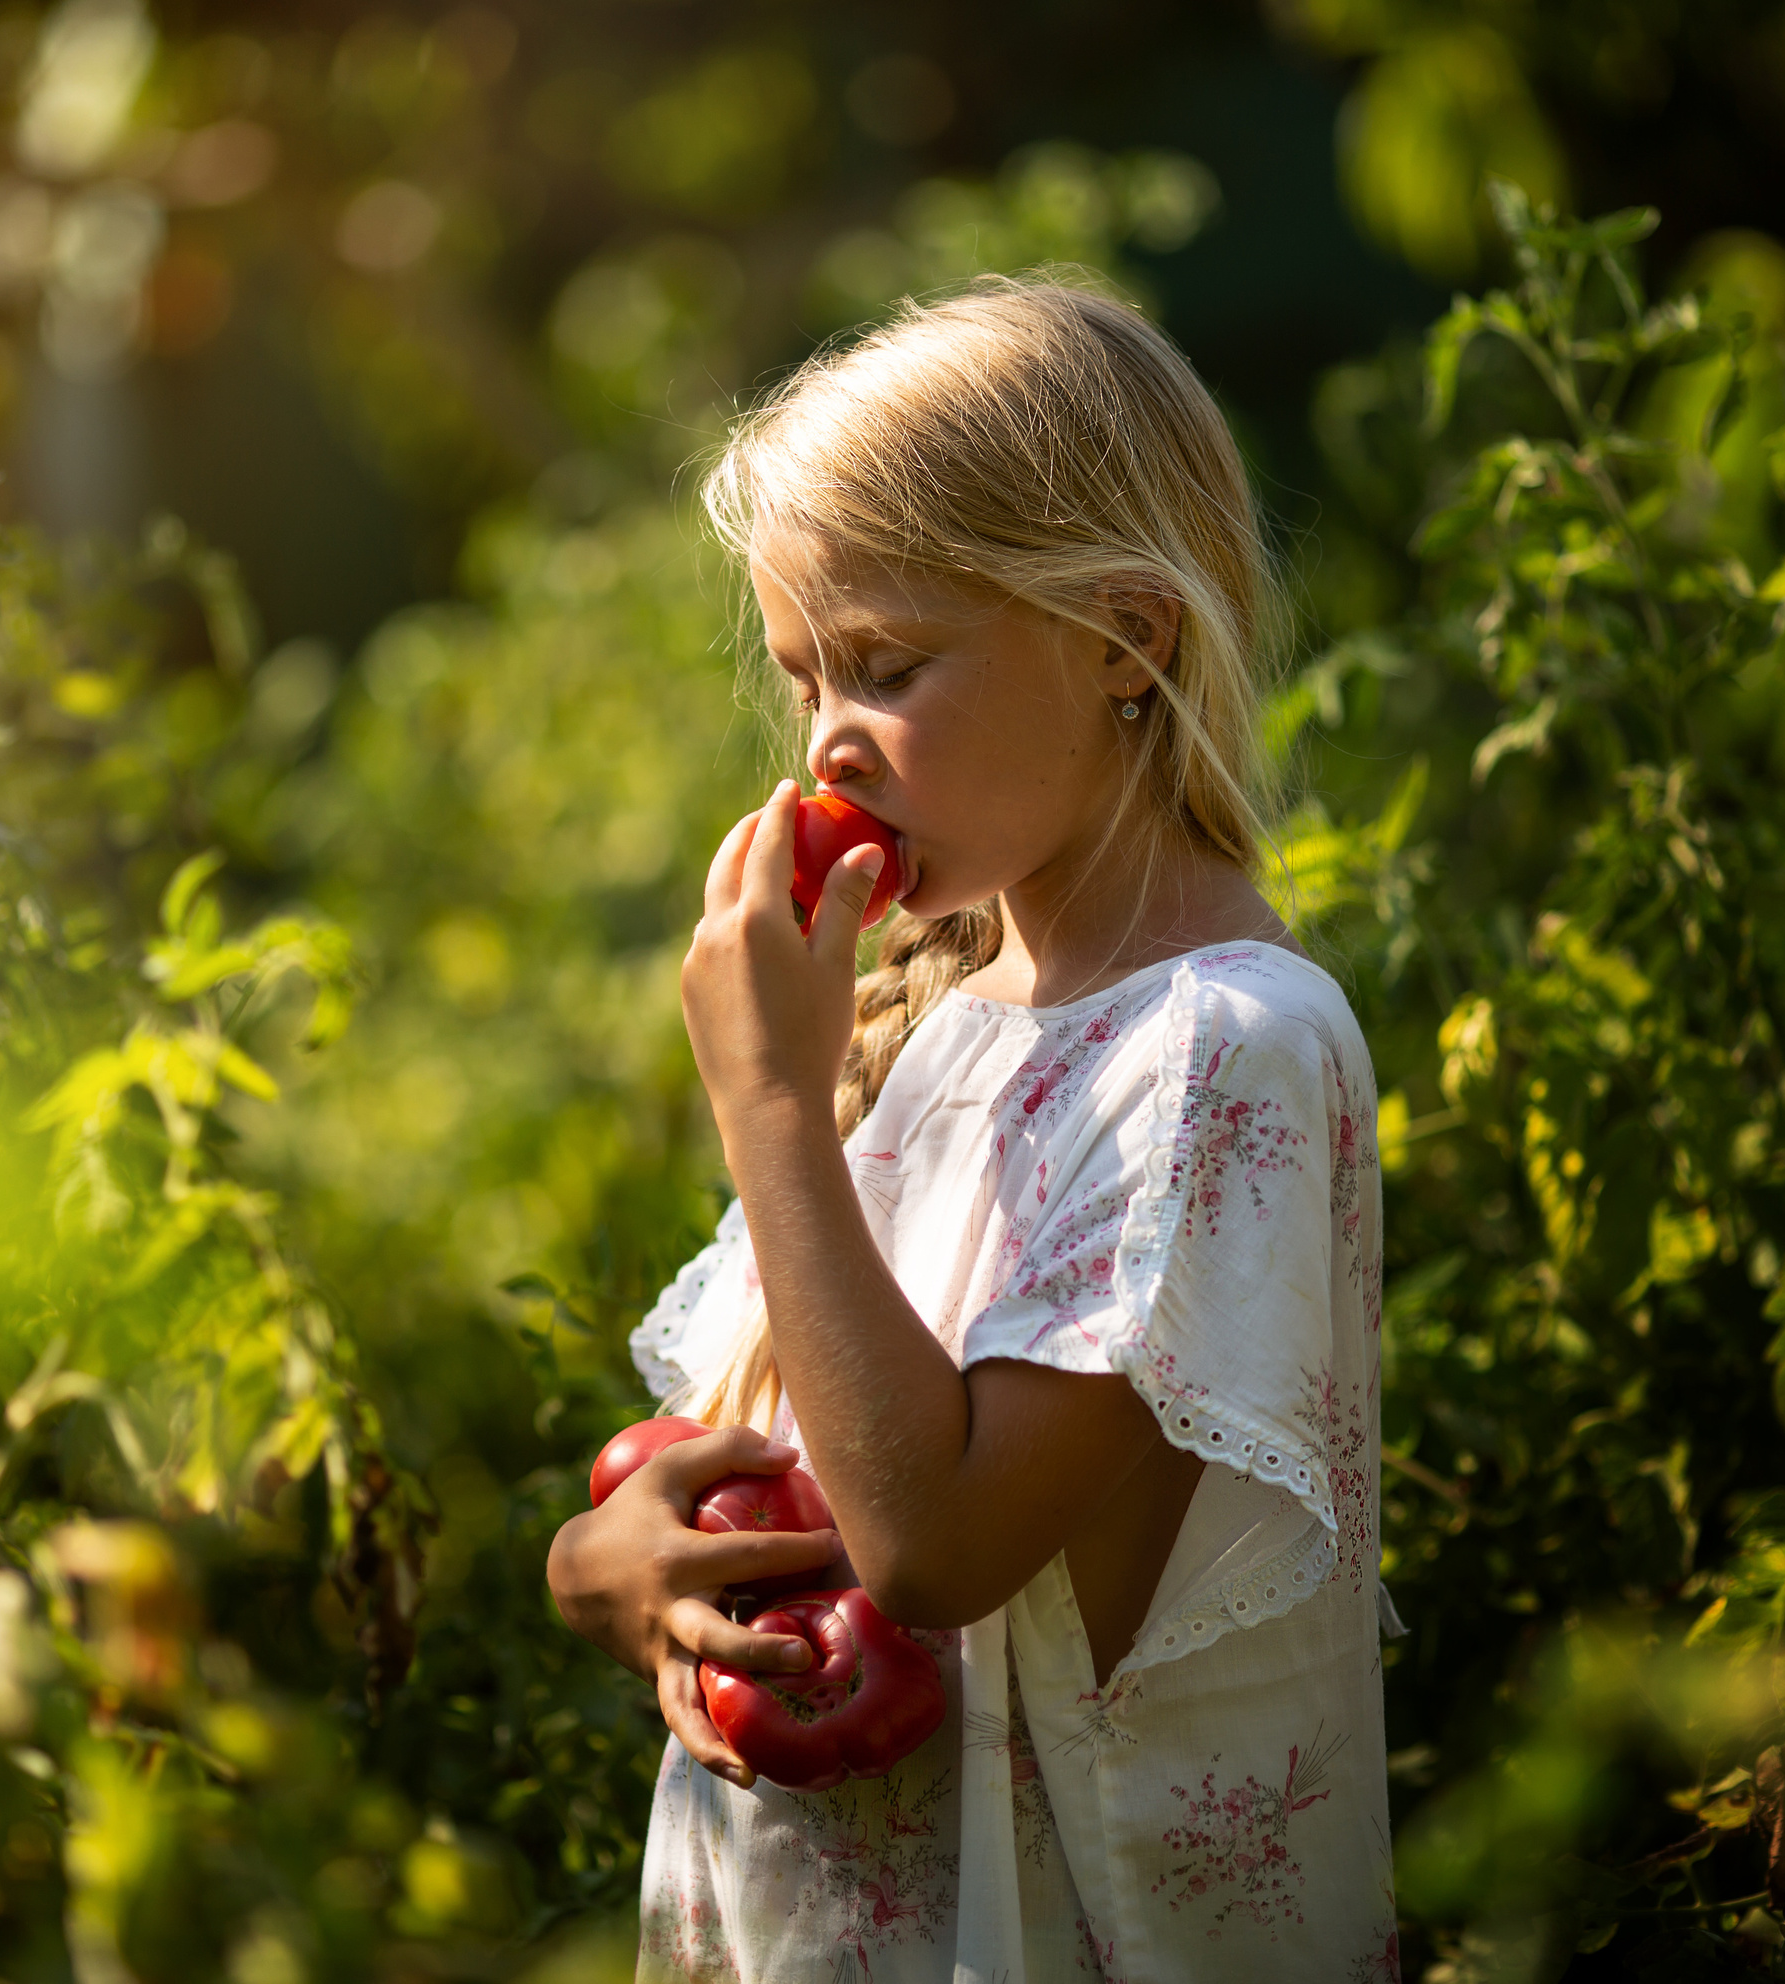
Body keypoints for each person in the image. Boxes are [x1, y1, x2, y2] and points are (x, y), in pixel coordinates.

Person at [545, 279, 1400, 1982]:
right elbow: (752, 1464)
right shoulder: (932, 1022)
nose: (825, 745)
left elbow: (934, 1547)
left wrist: (767, 1107)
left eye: (884, 665)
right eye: (803, 679)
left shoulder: (1222, 1047)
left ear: (1125, 643)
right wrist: (610, 1565)